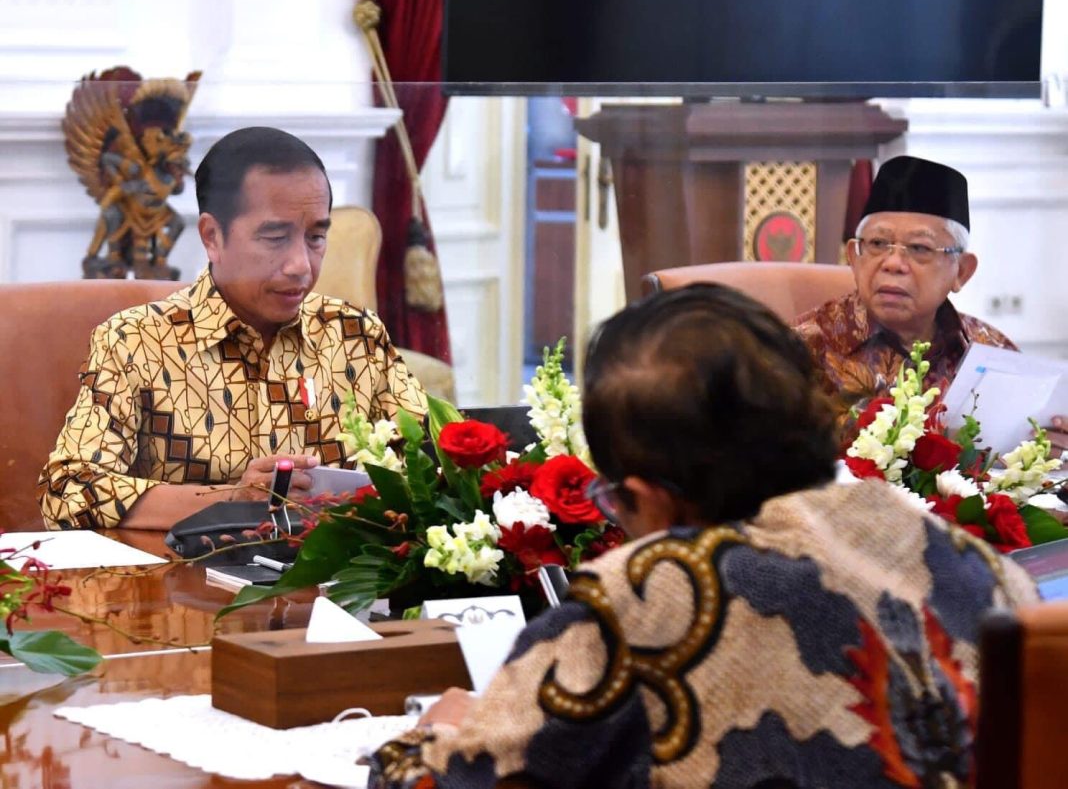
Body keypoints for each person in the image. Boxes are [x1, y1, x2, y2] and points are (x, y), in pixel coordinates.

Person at [369, 284, 1037, 789]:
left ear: (653, 494)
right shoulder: (983, 570)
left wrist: (431, 736)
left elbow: (445, 781)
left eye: (616, 499)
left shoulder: (654, 590)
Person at [38, 127, 426, 531]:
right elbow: (68, 491)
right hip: (189, 586)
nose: (300, 264)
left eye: (315, 237)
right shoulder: (136, 341)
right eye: (275, 237)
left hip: (338, 586)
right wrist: (231, 500)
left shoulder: (355, 335)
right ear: (212, 236)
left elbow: (432, 463)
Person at [795, 156, 1021, 441]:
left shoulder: (994, 355)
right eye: (877, 244)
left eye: (919, 248)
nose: (893, 263)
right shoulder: (797, 351)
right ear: (854, 257)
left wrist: (1045, 444)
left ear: (961, 271)